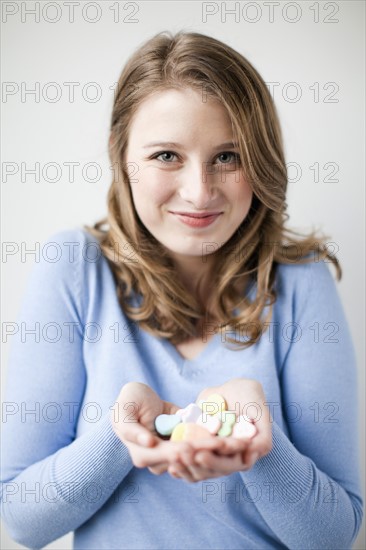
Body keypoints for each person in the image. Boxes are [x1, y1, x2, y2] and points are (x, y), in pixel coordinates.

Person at [1, 30, 363, 550]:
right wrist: (120, 435)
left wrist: (261, 446)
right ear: (123, 159)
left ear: (260, 161)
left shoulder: (303, 282)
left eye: (228, 156)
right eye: (167, 155)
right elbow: (23, 521)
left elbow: (333, 536)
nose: (199, 192)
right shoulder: (73, 269)